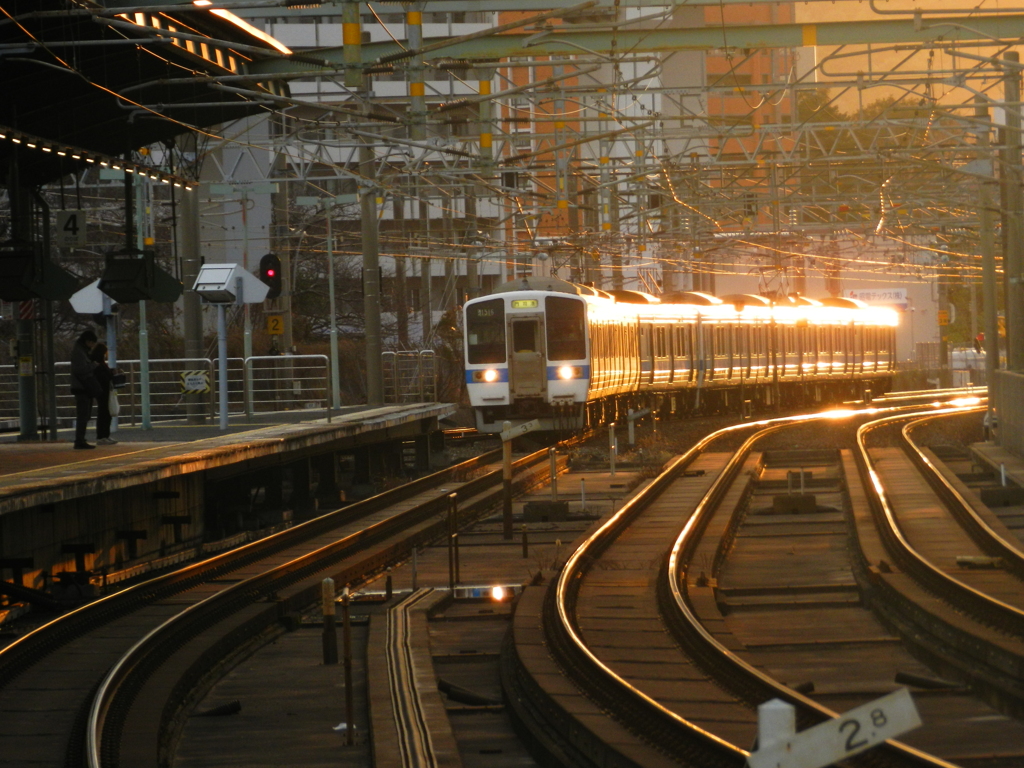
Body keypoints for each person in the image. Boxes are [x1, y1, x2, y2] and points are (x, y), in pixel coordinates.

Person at [69, 329, 99, 449]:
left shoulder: (81, 350)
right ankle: (79, 440)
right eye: (92, 343)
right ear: (88, 341)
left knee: (84, 415)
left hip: (81, 387)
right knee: (83, 415)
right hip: (81, 387)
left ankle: (80, 439)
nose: (92, 346)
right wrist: (93, 365)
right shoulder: (79, 352)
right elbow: (80, 369)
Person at [90, 343, 118, 445]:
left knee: (104, 412)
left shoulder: (96, 363)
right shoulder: (99, 364)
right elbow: (103, 376)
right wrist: (111, 374)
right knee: (104, 413)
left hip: (101, 390)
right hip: (103, 390)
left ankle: (104, 435)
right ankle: (102, 436)